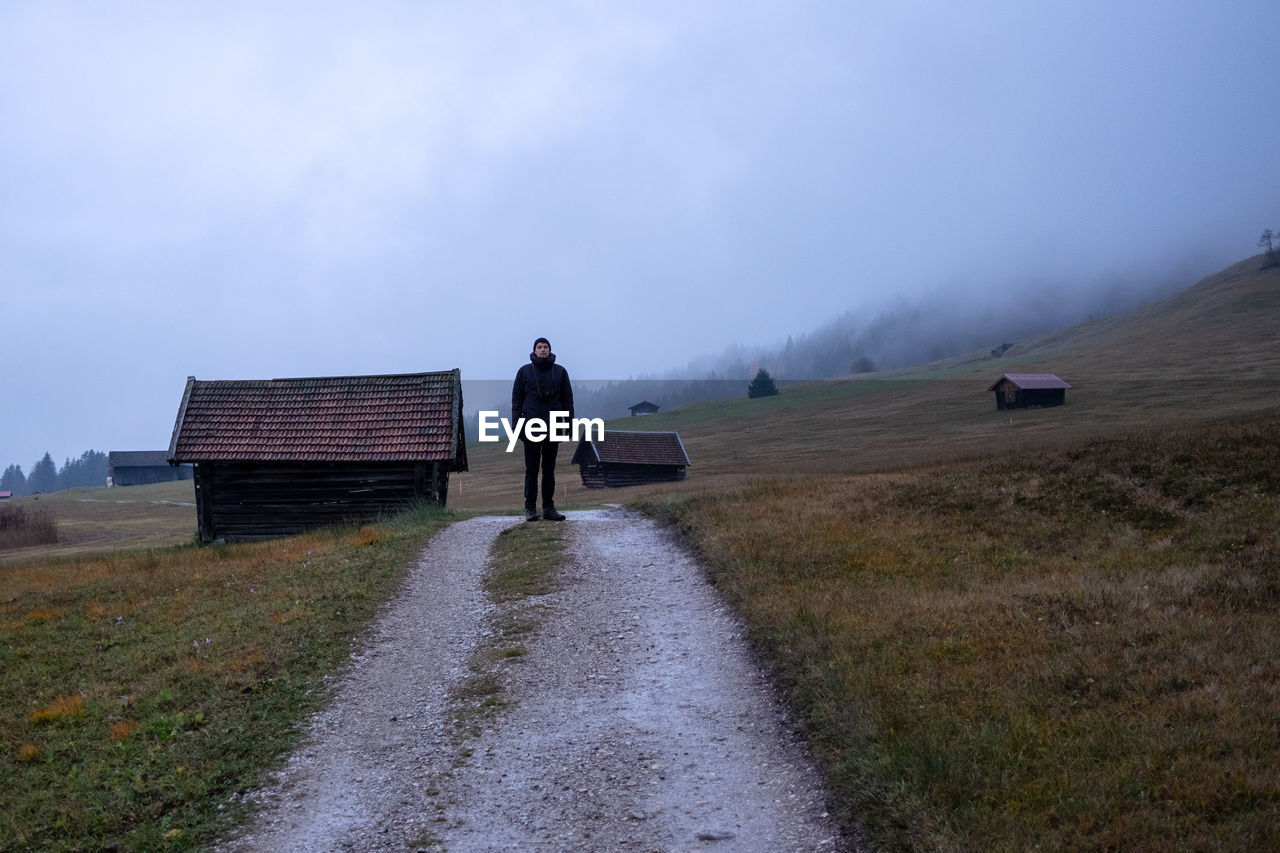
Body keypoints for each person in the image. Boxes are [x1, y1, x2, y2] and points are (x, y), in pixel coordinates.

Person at [511, 336, 574, 521]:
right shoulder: (524, 372)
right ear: (534, 350)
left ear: (550, 350)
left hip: (553, 425)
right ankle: (530, 508)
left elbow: (568, 400)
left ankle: (548, 508)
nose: (543, 350)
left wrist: (569, 424)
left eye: (546, 347)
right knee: (531, 469)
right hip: (530, 425)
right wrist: (516, 425)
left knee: (549, 469)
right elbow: (516, 401)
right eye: (539, 347)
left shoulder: (561, 372)